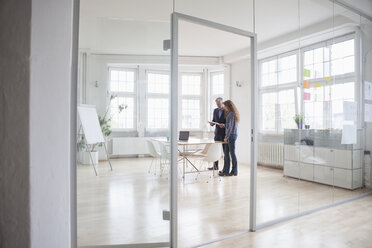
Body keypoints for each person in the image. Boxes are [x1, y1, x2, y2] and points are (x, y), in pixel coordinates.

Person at [219, 100, 239, 176]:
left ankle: (234, 171)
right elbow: (229, 125)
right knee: (227, 154)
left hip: (231, 136)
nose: (224, 107)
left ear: (228, 106)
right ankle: (227, 171)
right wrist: (224, 125)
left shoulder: (230, 114)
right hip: (233, 135)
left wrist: (226, 137)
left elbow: (230, 127)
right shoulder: (233, 113)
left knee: (231, 153)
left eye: (225, 106)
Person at [208, 97, 227, 171]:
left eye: (219, 104)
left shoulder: (226, 110)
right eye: (217, 104)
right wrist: (212, 123)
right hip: (217, 134)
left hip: (224, 134)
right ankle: (215, 166)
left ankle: (225, 168)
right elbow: (214, 120)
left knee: (225, 152)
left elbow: (228, 122)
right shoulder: (215, 110)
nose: (218, 106)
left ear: (222, 103)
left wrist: (224, 125)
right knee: (215, 150)